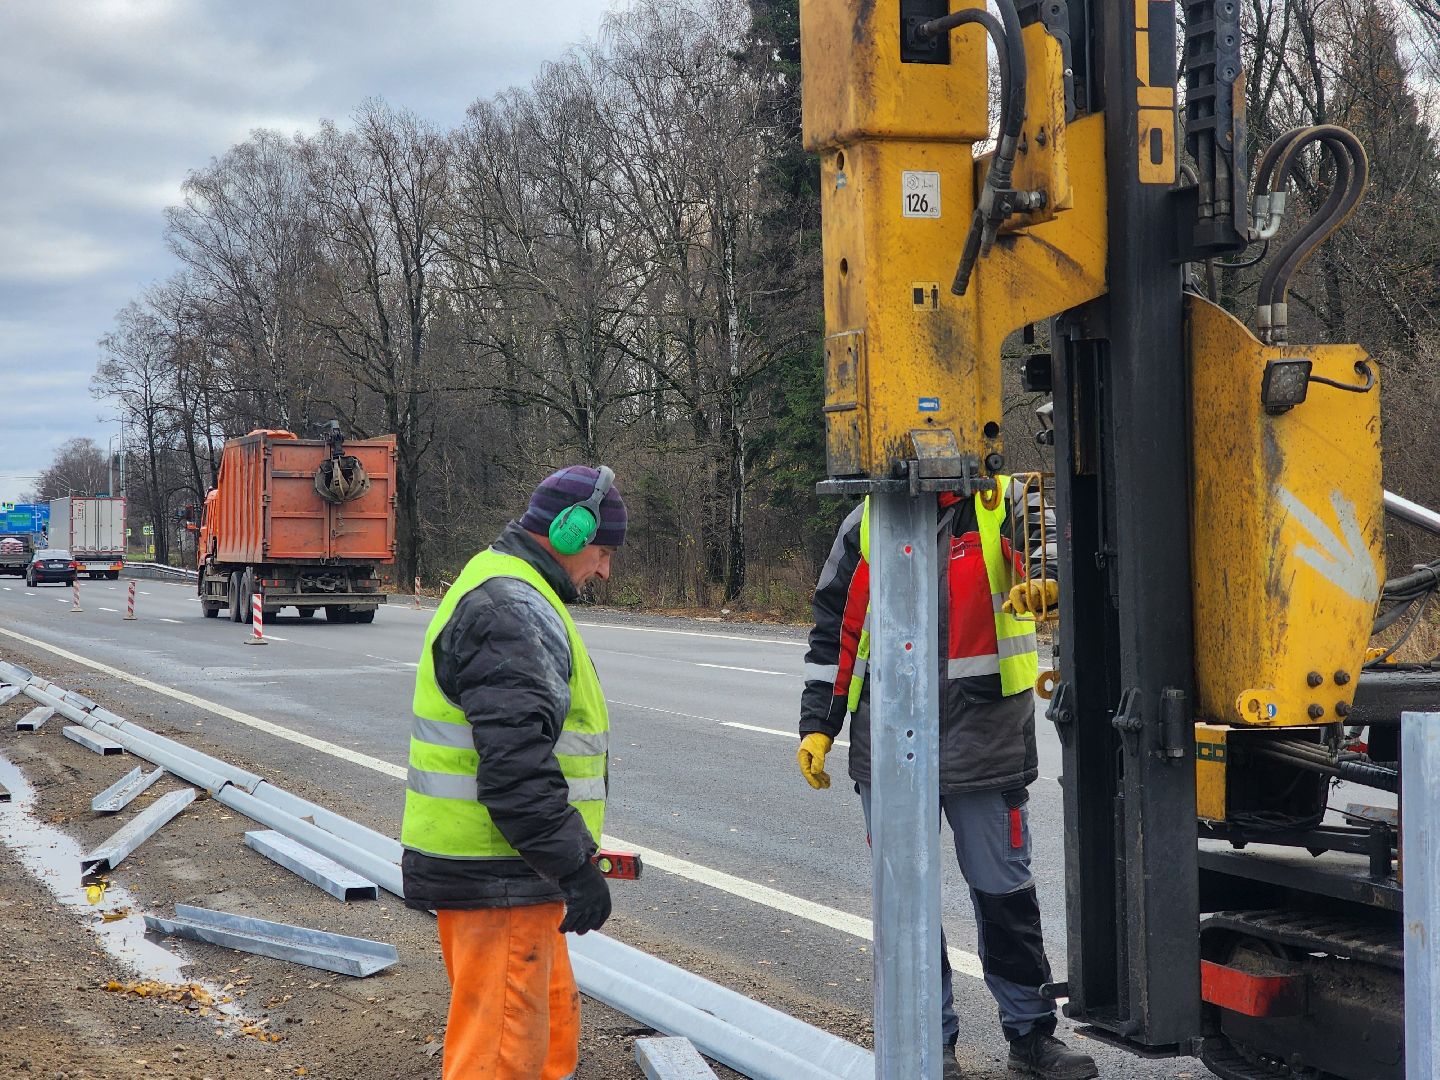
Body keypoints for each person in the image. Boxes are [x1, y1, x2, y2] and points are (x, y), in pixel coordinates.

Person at [797, 477, 1098, 1080]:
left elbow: (1052, 540)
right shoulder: (866, 523)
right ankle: (927, 1044)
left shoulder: (1003, 502)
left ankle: (1031, 1035)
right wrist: (818, 724)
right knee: (905, 905)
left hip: (983, 742)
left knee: (1004, 896)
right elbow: (835, 635)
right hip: (887, 745)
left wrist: (1046, 577)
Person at [401, 465, 626, 1080]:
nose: (605, 570)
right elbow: (516, 768)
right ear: (572, 532)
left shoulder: (514, 591)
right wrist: (575, 866)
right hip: (499, 875)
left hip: (516, 874)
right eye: (603, 551)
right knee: (502, 1060)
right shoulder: (509, 608)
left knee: (547, 1046)